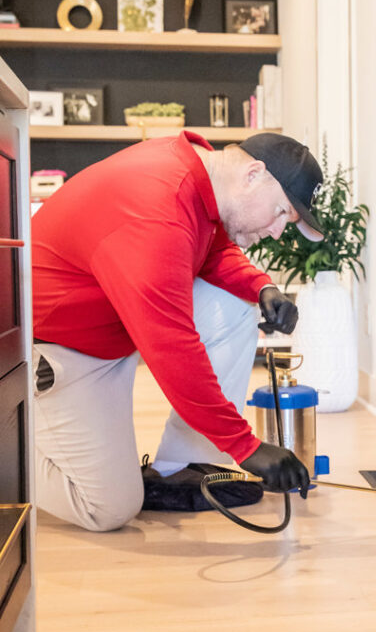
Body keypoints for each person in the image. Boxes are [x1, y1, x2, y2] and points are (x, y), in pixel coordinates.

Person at [31, 130, 324, 532]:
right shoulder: (156, 210)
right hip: (60, 349)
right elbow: (173, 351)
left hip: (110, 328)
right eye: (280, 213)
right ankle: (10, 441)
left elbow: (210, 248)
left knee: (238, 303)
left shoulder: (196, 173)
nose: (276, 231)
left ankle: (181, 465)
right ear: (254, 174)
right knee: (108, 508)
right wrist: (247, 447)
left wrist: (261, 286)